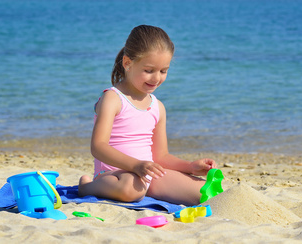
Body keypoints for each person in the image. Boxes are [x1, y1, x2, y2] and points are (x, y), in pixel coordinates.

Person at [78, 25, 217, 206]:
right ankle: (86, 186)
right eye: (149, 70)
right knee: (130, 187)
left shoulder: (157, 107)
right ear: (127, 63)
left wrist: (190, 166)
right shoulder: (113, 98)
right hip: (114, 176)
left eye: (163, 71)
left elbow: (161, 157)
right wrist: (136, 165)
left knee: (205, 193)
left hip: (147, 175)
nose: (156, 78)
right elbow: (98, 147)